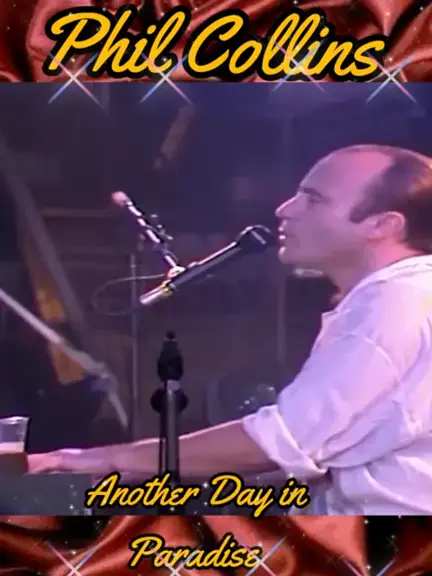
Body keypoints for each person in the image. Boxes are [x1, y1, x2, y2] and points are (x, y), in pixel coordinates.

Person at [29, 144, 432, 514]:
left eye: (314, 200)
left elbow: (282, 441)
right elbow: (323, 449)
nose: (285, 209)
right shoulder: (404, 293)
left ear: (382, 225)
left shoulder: (393, 299)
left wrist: (100, 460)